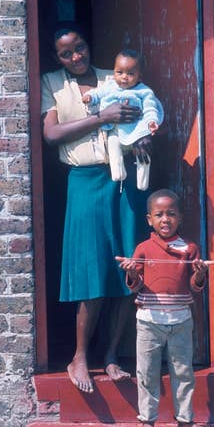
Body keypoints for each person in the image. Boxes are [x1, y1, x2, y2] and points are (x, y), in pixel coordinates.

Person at [41, 23, 152, 393]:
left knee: (126, 267)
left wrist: (143, 134)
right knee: (90, 269)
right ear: (56, 57)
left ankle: (111, 355)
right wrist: (100, 119)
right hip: (84, 181)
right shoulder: (52, 84)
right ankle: (79, 357)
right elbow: (51, 134)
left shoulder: (115, 76)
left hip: (123, 179)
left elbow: (144, 111)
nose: (76, 57)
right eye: (66, 52)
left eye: (81, 48)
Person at [118, 189, 210, 427]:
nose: (165, 219)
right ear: (150, 220)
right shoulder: (144, 248)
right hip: (149, 321)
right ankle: (148, 420)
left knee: (183, 371)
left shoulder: (190, 249)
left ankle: (185, 419)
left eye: (171, 214)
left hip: (181, 319)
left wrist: (201, 273)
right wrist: (132, 273)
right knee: (147, 372)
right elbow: (134, 286)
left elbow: (194, 285)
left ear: (180, 218)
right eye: (159, 215)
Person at [82, 49, 163, 191]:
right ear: (114, 72)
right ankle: (118, 172)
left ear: (140, 77)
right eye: (119, 72)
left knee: (143, 155)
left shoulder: (144, 92)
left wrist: (151, 122)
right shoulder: (109, 87)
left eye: (130, 74)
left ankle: (142, 182)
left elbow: (151, 109)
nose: (124, 77)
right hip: (115, 128)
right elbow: (97, 94)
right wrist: (89, 97)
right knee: (113, 145)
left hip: (137, 131)